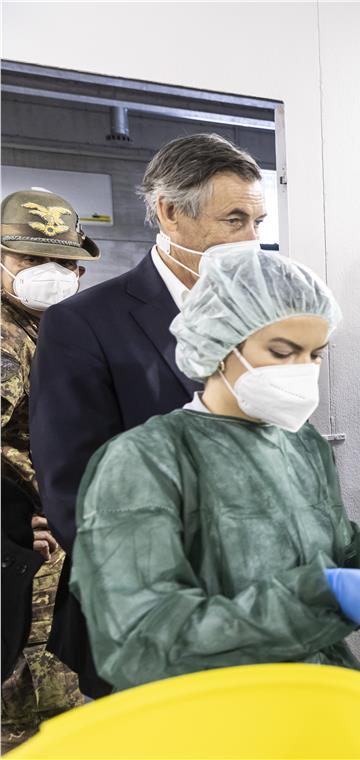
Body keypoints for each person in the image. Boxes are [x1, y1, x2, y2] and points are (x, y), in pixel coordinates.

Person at [69, 248, 360, 691]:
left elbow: (325, 553)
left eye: (315, 354)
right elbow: (142, 640)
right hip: (213, 708)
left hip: (312, 694)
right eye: (282, 352)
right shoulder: (145, 460)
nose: (303, 371)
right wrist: (323, 596)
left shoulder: (301, 442)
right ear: (219, 343)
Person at [30, 133, 266, 697]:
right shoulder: (85, 323)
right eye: (234, 220)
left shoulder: (259, 315)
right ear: (170, 213)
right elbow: (74, 489)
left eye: (258, 222)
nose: (252, 240)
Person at [1, 189, 95, 747]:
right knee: (24, 713)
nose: (49, 273)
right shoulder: (6, 336)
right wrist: (8, 523)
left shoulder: (51, 327)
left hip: (50, 548)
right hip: (22, 553)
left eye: (61, 262)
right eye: (30, 259)